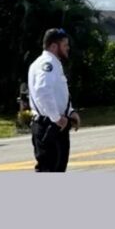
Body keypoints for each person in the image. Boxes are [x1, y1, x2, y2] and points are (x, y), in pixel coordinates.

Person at [27, 28, 80, 173]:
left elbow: (57, 94)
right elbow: (43, 90)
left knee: (55, 169)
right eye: (65, 45)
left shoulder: (52, 63)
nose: (68, 48)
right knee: (50, 170)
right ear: (54, 46)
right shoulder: (48, 64)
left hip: (53, 125)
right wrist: (57, 118)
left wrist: (71, 111)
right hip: (50, 127)